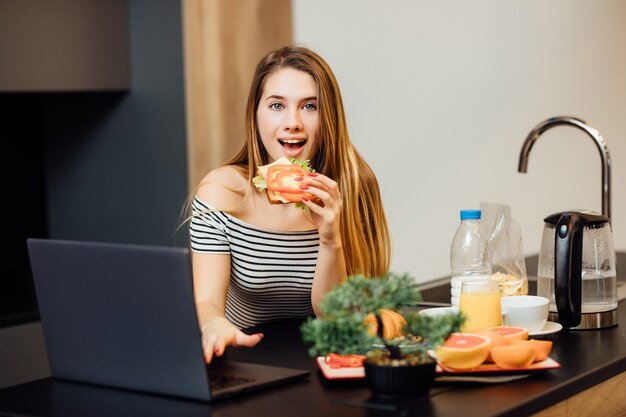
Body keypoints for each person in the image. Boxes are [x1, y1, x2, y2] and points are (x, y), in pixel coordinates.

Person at [189, 46, 391, 363]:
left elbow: (336, 318)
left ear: (329, 118)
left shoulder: (354, 186)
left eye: (310, 106)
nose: (293, 122)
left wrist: (330, 238)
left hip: (329, 359)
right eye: (276, 106)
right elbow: (207, 302)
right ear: (255, 115)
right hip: (244, 357)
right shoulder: (221, 192)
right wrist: (213, 323)